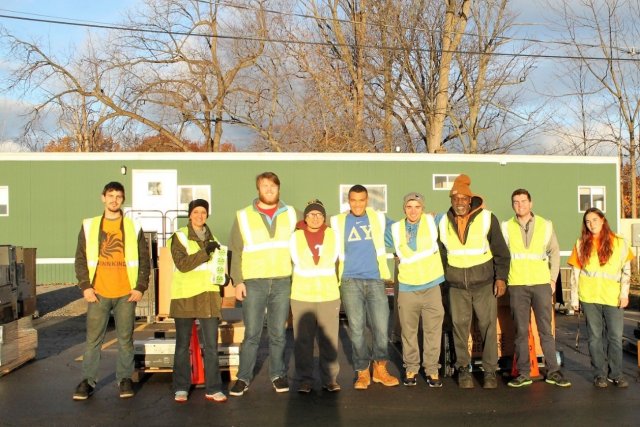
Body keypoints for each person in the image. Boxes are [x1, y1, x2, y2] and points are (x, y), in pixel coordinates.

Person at [73, 181, 150, 400]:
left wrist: (140, 287)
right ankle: (87, 382)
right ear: (103, 198)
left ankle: (125, 379)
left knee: (125, 339)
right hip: (97, 293)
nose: (114, 200)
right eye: (110, 195)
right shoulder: (90, 225)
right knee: (93, 340)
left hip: (126, 293)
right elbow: (80, 258)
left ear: (123, 200)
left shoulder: (133, 226)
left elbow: (145, 259)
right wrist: (85, 286)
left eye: (118, 196)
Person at [228, 172, 298, 396]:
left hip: (281, 281)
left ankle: (277, 374)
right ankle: (243, 377)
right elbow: (235, 251)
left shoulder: (292, 213)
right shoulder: (243, 215)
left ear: (279, 188)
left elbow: (312, 230)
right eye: (264, 186)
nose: (269, 190)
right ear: (258, 189)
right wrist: (237, 281)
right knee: (252, 334)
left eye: (273, 186)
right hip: (254, 282)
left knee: (278, 333)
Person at [437, 174, 510, 389]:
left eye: (463, 198)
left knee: (487, 327)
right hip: (456, 286)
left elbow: (501, 253)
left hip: (484, 284)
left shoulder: (488, 218)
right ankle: (463, 370)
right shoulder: (442, 221)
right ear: (451, 200)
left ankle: (489, 372)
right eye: (455, 198)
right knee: (459, 328)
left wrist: (501, 279)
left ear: (470, 200)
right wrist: (443, 281)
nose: (459, 202)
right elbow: (441, 253)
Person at [330, 184, 400, 390]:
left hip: (375, 280)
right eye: (354, 200)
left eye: (362, 200)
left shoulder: (378, 218)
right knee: (358, 330)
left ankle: (380, 369)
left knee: (380, 328)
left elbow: (402, 229)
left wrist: (431, 218)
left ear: (367, 200)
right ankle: (362, 371)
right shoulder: (338, 221)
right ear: (348, 201)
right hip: (350, 281)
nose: (358, 204)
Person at [502, 189, 571, 388]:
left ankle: (553, 372)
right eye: (516, 202)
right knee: (521, 331)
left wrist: (552, 279)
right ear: (512, 205)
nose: (520, 205)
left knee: (545, 331)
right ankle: (524, 373)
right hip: (517, 284)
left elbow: (555, 252)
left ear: (531, 203)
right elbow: (503, 255)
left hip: (541, 284)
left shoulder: (545, 225)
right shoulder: (506, 227)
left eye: (524, 201)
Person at [169, 199, 229, 403]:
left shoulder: (216, 240)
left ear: (207, 215)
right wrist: (206, 252)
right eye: (196, 212)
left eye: (203, 212)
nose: (200, 215)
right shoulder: (179, 236)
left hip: (209, 297)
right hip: (185, 296)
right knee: (182, 345)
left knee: (211, 345)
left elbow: (217, 267)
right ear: (190, 214)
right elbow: (183, 264)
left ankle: (213, 387)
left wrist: (224, 277)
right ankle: (180, 387)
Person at [569, 207, 632, 388]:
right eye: (588, 221)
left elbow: (625, 270)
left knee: (614, 337)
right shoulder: (581, 243)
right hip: (589, 297)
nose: (591, 224)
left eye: (594, 220)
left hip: (613, 297)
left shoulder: (619, 242)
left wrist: (624, 294)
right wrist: (574, 300)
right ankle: (599, 375)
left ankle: (616, 374)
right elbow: (575, 273)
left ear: (603, 220)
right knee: (595, 337)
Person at [390, 192, 445, 387]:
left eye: (417, 207)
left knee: (432, 331)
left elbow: (461, 212)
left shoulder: (433, 221)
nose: (413, 211)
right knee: (409, 331)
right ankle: (411, 367)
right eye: (409, 207)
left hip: (431, 287)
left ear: (423, 208)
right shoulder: (394, 229)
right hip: (407, 288)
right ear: (404, 208)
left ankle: (432, 370)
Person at [289, 200, 341, 393]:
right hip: (302, 295)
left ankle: (330, 379)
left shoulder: (333, 235)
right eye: (311, 214)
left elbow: (338, 261)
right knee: (303, 340)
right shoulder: (295, 237)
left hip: (328, 294)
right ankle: (305, 379)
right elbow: (293, 261)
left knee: (329, 339)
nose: (315, 218)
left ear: (324, 217)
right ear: (305, 217)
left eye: (319, 214)